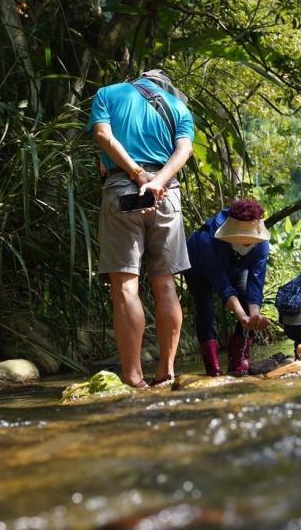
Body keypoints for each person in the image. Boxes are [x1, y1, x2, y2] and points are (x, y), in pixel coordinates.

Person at [88, 68, 194, 388]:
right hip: (166, 195)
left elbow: (103, 136)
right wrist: (159, 182)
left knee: (125, 288)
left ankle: (133, 376)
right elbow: (184, 150)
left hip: (124, 191)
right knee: (165, 286)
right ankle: (166, 371)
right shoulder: (179, 107)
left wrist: (138, 175)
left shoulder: (108, 93)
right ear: (165, 85)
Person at [185, 198, 270, 376]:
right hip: (198, 267)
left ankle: (238, 361)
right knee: (206, 311)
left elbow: (256, 280)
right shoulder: (206, 240)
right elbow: (223, 286)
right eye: (244, 240)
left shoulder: (261, 242)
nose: (248, 243)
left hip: (235, 266)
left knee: (247, 300)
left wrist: (253, 315)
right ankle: (213, 369)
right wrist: (241, 316)